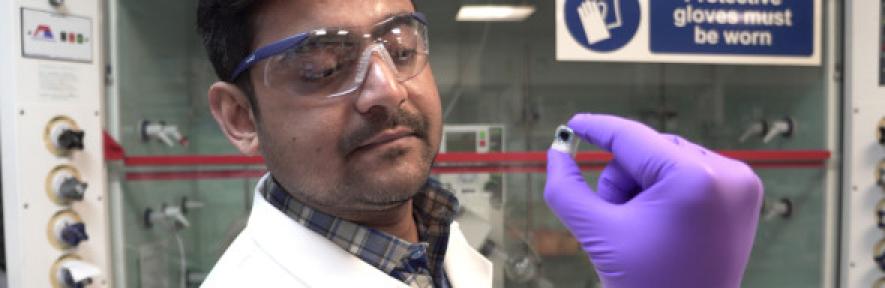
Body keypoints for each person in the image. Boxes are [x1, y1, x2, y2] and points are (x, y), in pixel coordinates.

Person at [196, 0, 763, 287]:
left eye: (399, 46)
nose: (388, 91)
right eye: (321, 66)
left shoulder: (440, 242)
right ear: (241, 117)